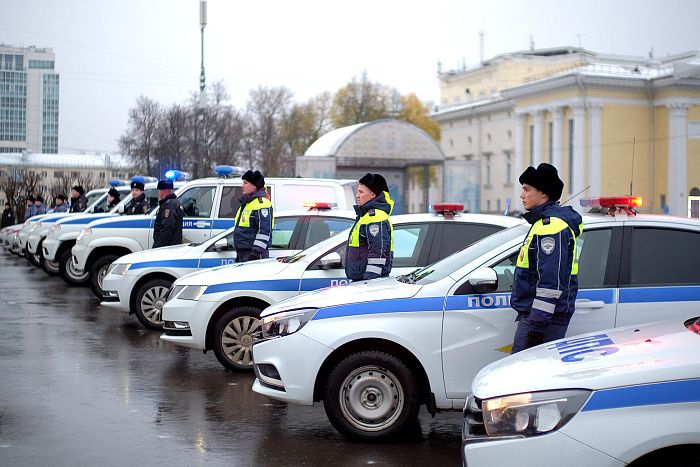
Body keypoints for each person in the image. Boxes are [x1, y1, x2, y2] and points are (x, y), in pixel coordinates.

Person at [510, 163, 583, 354]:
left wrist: (536, 327)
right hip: (539, 314)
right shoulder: (543, 224)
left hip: (543, 318)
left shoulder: (552, 227)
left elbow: (551, 282)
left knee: (524, 374)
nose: (522, 195)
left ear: (543, 194)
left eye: (527, 189)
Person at [345, 173, 394, 281]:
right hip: (363, 282)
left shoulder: (375, 217)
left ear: (373, 194)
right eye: (357, 191)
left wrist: (369, 281)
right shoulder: (367, 216)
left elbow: (379, 253)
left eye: (361, 192)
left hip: (369, 283)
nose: (357, 195)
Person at [233, 170, 273, 263]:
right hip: (243, 254)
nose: (242, 186)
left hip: (254, 256)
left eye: (245, 183)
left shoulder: (262, 204)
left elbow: (264, 232)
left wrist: (254, 255)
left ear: (255, 186)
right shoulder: (247, 203)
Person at [152, 179, 183, 248]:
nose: (159, 193)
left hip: (167, 247)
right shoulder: (173, 202)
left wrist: (158, 245)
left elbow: (167, 228)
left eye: (159, 191)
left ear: (162, 191)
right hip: (171, 246)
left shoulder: (168, 205)